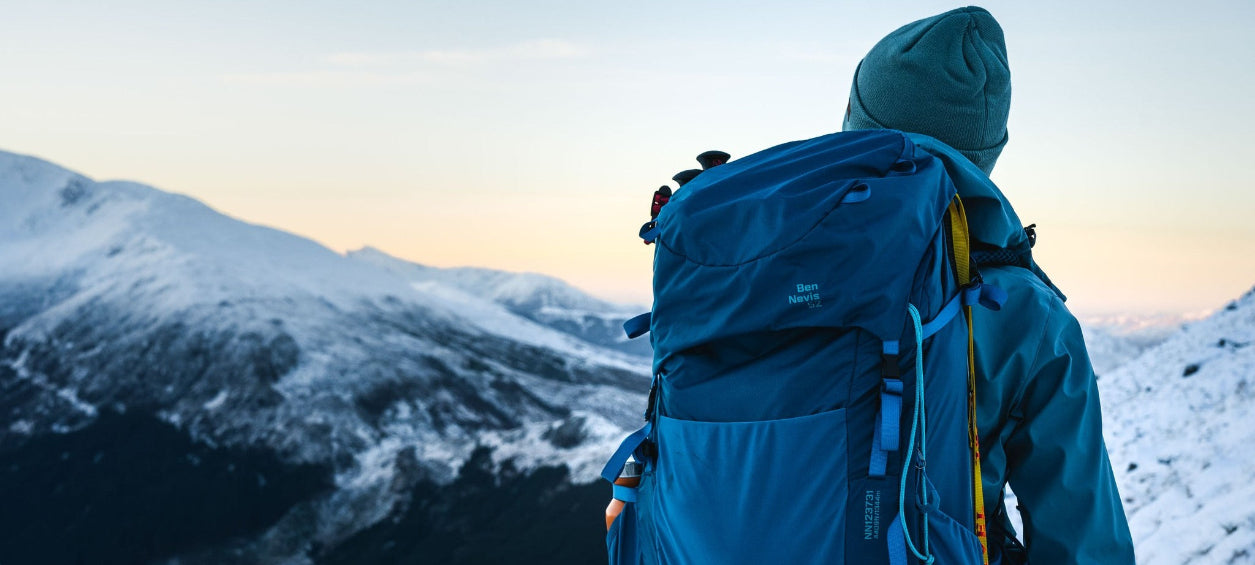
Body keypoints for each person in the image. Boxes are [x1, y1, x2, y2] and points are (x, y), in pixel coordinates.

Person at [841, 6, 1136, 564]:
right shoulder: (1027, 313)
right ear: (984, 155)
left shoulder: (755, 258)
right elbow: (1083, 539)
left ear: (854, 122)